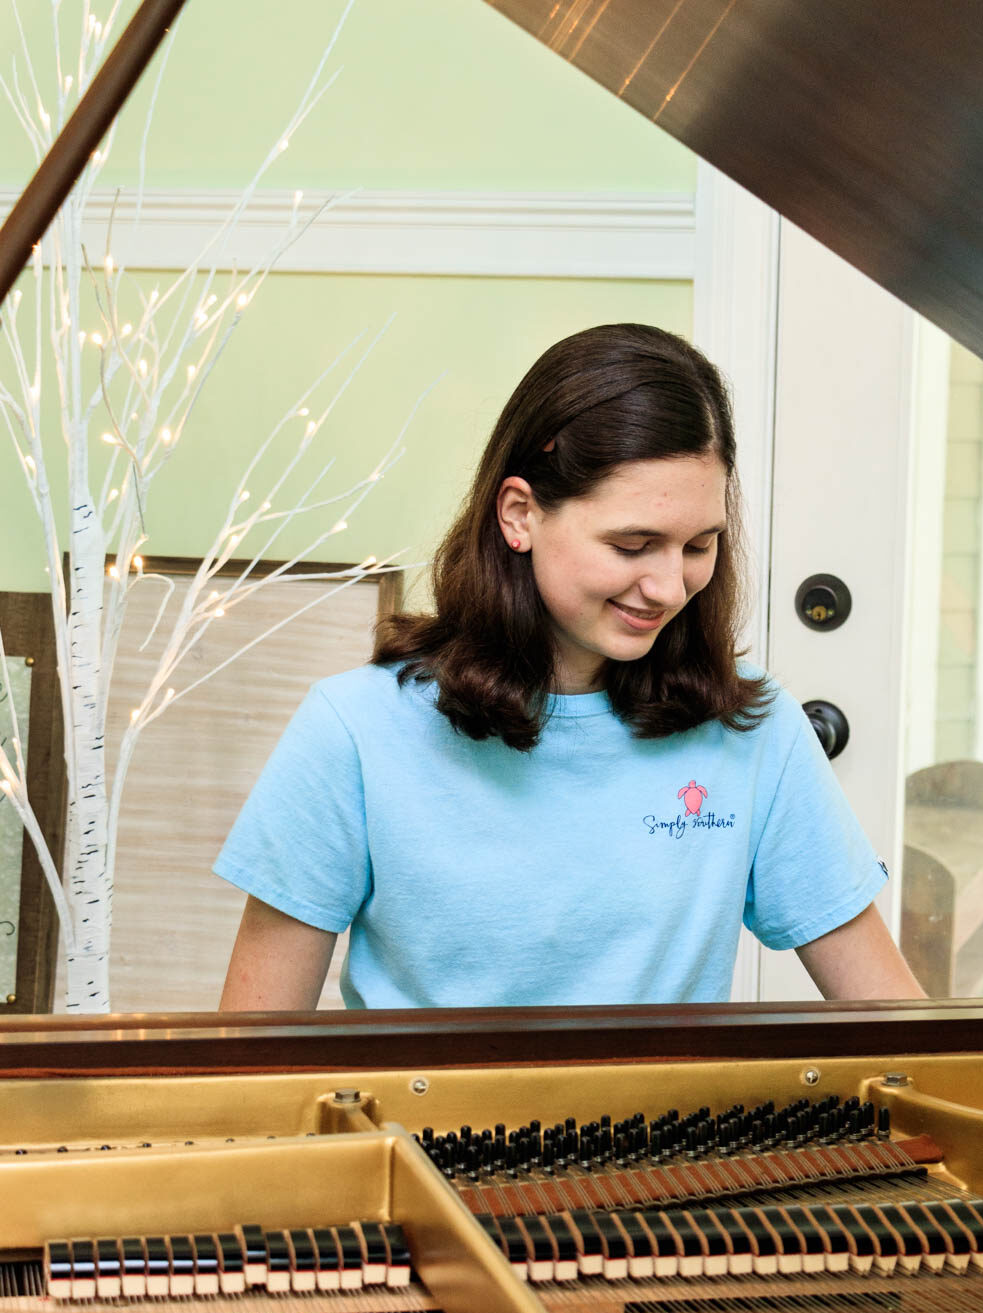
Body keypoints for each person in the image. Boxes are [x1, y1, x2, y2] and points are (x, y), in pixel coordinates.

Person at [216, 322, 923, 1010]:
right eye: (633, 543)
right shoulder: (354, 733)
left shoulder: (752, 733)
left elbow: (898, 1021)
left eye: (699, 546)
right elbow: (250, 1065)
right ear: (520, 514)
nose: (670, 587)